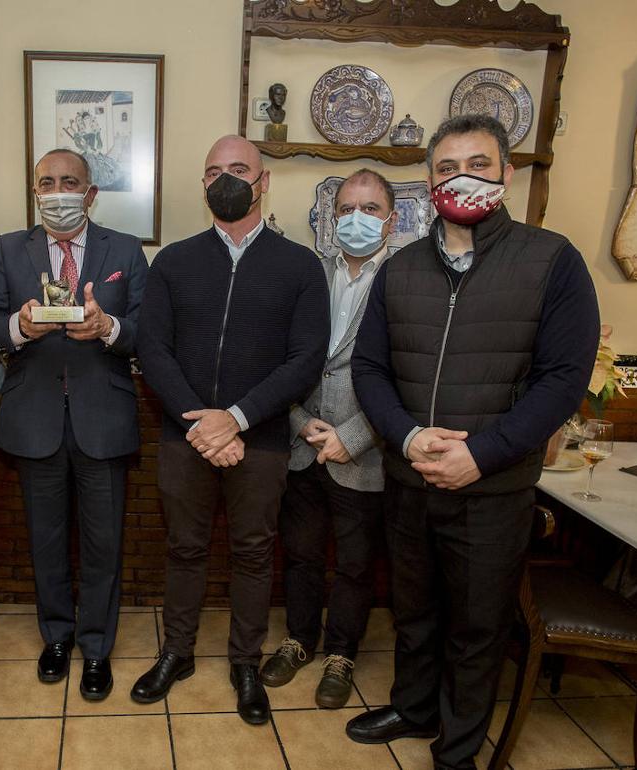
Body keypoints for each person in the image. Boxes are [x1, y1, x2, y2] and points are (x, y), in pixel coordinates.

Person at [347, 114, 600, 769]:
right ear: (428, 180)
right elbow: (369, 368)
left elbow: (564, 378)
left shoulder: (553, 261)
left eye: (478, 165)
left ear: (506, 174)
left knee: (477, 625)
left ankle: (457, 748)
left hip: (492, 489)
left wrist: (480, 455)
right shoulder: (399, 269)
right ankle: (414, 706)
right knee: (413, 609)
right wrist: (404, 439)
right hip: (409, 481)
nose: (461, 179)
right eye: (446, 167)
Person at [132, 135, 328, 725]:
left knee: (252, 553)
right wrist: (202, 422)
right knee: (184, 549)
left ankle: (246, 661)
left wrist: (237, 418)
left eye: (238, 169)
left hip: (261, 437)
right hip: (185, 434)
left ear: (263, 181)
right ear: (203, 185)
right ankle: (177, 652)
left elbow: (305, 358)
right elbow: (153, 349)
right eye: (214, 170)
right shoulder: (173, 260)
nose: (226, 179)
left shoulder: (300, 265)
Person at [0, 148, 148, 701]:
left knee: (102, 543)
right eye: (47, 182)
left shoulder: (126, 250)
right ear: (35, 191)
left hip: (104, 420)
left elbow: (149, 333)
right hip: (34, 421)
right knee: (46, 541)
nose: (58, 190)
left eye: (70, 181)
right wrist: (20, 329)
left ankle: (96, 647)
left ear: (90, 193)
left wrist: (109, 326)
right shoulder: (8, 250)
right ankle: (57, 636)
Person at [260, 169, 394, 709]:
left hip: (364, 452)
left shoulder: (404, 279)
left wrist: (354, 437)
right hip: (303, 444)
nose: (355, 218)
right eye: (345, 209)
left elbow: (410, 376)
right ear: (331, 217)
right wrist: (298, 421)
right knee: (301, 554)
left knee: (357, 563)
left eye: (368, 207)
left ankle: (341, 654)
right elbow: (283, 359)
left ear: (390, 217)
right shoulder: (310, 274)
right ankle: (299, 640)